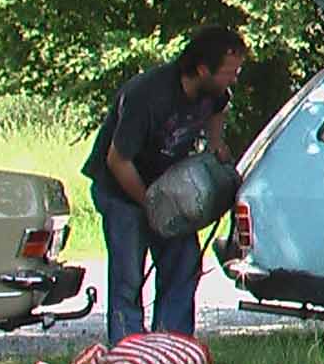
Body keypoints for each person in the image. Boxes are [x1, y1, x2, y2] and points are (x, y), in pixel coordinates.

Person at [82, 26, 247, 344]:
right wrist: (151, 206)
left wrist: (215, 142)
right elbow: (117, 160)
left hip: (168, 189)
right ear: (202, 70)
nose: (234, 79)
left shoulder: (213, 92)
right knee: (129, 276)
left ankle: (171, 347)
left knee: (184, 263)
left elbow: (220, 108)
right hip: (121, 189)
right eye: (229, 73)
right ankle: (128, 351)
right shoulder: (148, 95)